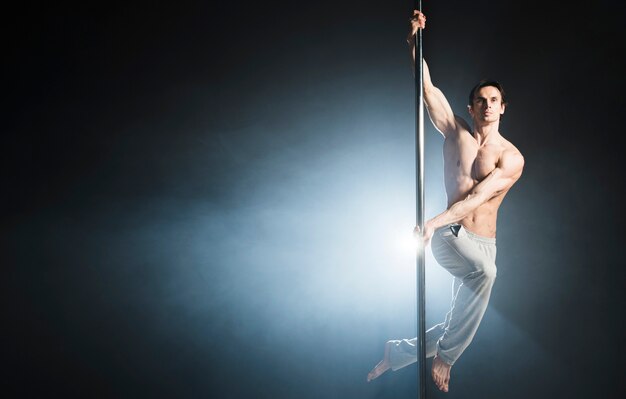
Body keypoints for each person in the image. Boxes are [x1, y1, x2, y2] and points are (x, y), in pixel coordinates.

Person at [366, 10, 525, 392]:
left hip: (485, 246)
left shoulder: (511, 157)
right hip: (450, 235)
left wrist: (431, 222)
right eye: (480, 100)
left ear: (502, 108)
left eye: (494, 100)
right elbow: (426, 88)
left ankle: (399, 351)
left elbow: (478, 197)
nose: (487, 105)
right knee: (485, 277)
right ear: (470, 108)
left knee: (461, 313)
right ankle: (446, 358)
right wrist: (413, 40)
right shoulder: (455, 132)